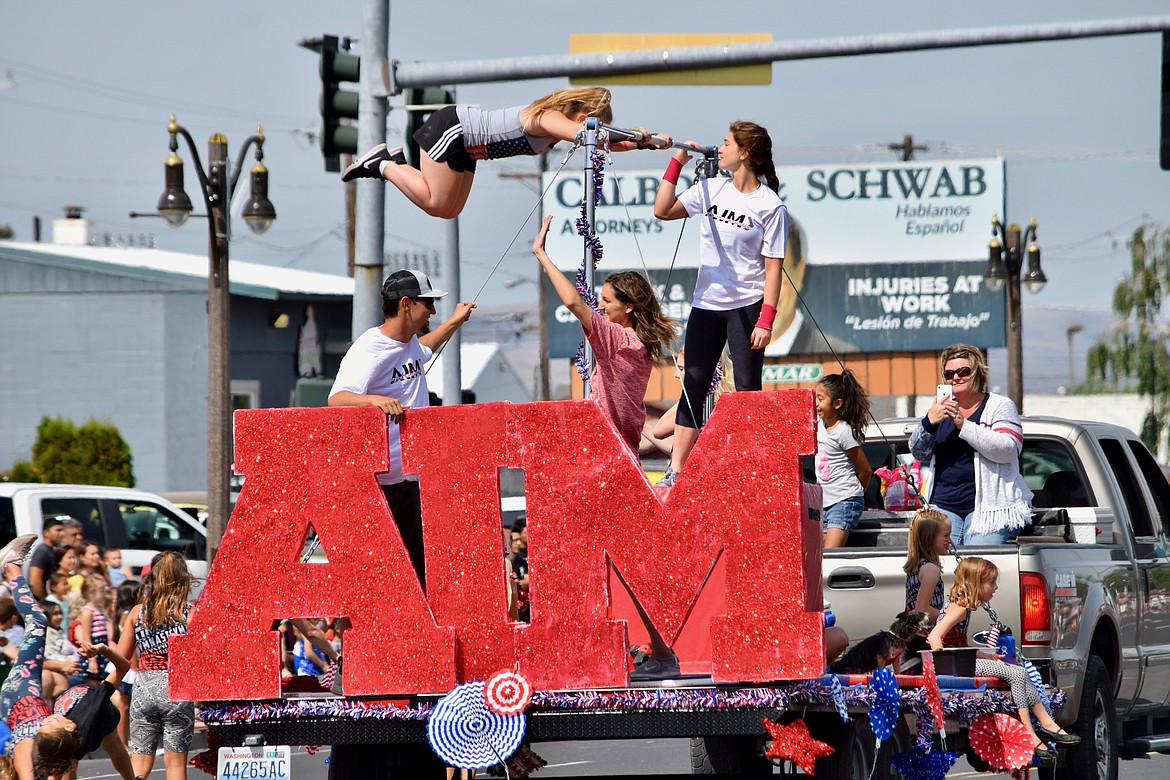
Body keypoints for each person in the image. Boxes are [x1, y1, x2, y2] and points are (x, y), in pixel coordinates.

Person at [653, 121, 789, 486]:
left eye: (727, 143)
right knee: (693, 385)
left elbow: (774, 269)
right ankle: (677, 470)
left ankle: (749, 468)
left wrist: (766, 319)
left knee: (746, 389)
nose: (721, 148)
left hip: (747, 305)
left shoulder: (770, 206)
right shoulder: (711, 189)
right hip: (707, 304)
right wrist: (677, 162)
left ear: (745, 152)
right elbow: (662, 210)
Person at [328, 269, 475, 592]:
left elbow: (424, 350)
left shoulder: (408, 343)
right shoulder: (371, 346)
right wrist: (374, 400)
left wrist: (455, 321)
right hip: (387, 483)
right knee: (392, 581)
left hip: (414, 478)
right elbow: (337, 398)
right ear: (406, 304)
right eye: (428, 304)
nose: (433, 311)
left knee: (422, 578)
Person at [342, 86, 667, 218]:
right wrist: (639, 135)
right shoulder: (548, 117)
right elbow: (589, 136)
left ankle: (395, 164)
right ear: (583, 116)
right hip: (453, 130)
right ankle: (385, 164)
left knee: (449, 211)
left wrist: (647, 142)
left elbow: (604, 141)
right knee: (435, 203)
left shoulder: (560, 129)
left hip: (470, 149)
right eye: (594, 123)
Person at [532, 215, 678, 454]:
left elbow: (572, 302)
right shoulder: (641, 343)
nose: (600, 306)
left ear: (628, 306)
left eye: (607, 301)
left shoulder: (618, 340)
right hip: (624, 445)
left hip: (607, 445)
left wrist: (541, 254)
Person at [927, 557, 1079, 760]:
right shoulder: (960, 609)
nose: (995, 587)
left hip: (963, 661)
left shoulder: (961, 607)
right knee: (1016, 675)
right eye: (991, 583)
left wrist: (985, 656)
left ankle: (1047, 724)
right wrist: (943, 663)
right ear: (975, 583)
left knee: (1021, 672)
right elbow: (934, 636)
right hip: (956, 666)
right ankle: (1030, 733)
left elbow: (958, 643)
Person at [909, 344, 1033, 545]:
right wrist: (928, 423)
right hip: (943, 504)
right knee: (940, 568)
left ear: (976, 373)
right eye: (949, 374)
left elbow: (1009, 449)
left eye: (963, 371)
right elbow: (918, 452)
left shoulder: (999, 406)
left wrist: (964, 425)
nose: (956, 378)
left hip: (991, 509)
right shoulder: (941, 409)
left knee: (977, 567)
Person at [114, 551, 195, 780]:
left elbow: (121, 659)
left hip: (144, 689)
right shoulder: (189, 614)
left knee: (138, 765)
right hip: (176, 690)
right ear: (183, 578)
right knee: (176, 766)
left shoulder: (137, 613)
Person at [814, 370, 873, 548]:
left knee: (830, 556)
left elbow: (865, 470)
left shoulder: (843, 431)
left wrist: (852, 494)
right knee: (820, 558)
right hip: (825, 504)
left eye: (820, 399)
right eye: (815, 398)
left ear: (837, 404)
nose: (816, 404)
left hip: (844, 501)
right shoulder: (818, 425)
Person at [903, 508, 953, 621]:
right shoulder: (931, 569)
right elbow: (922, 609)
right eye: (946, 536)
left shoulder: (917, 565)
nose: (950, 540)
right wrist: (949, 618)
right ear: (929, 538)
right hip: (925, 634)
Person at [74, 575, 112, 683]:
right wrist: (92, 660)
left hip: (101, 647)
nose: (104, 594)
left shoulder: (99, 609)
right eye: (101, 591)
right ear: (91, 593)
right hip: (93, 648)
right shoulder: (87, 612)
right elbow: (86, 637)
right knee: (93, 682)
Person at [28, 517, 67, 601]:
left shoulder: (52, 551)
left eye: (63, 530)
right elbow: (34, 581)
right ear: (46, 533)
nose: (62, 533)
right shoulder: (42, 551)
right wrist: (44, 603)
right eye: (58, 530)